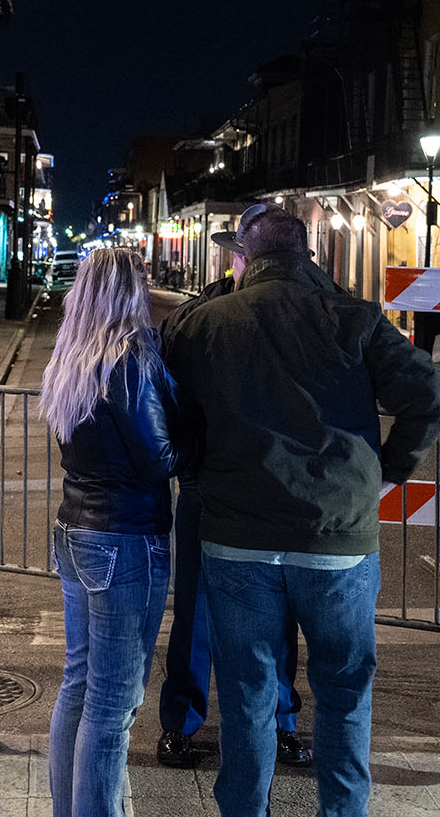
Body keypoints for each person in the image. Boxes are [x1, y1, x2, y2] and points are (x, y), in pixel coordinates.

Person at [166, 206, 440, 816]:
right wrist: (385, 472)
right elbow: (428, 395)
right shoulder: (355, 319)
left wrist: (198, 465)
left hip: (237, 537)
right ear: (310, 255)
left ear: (246, 254)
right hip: (337, 542)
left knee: (246, 695)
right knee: (344, 691)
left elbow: (167, 406)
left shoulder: (204, 323)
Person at [153, 204, 311, 770]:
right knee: (195, 610)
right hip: (213, 484)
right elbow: (172, 391)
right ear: (238, 257)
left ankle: (280, 719)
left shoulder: (304, 309)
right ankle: (181, 722)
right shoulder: (204, 313)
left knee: (279, 613)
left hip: (277, 490)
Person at [40, 247, 183, 817]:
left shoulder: (72, 354)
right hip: (126, 537)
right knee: (113, 702)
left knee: (79, 684)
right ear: (129, 289)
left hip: (75, 530)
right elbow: (159, 460)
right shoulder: (132, 355)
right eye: (142, 281)